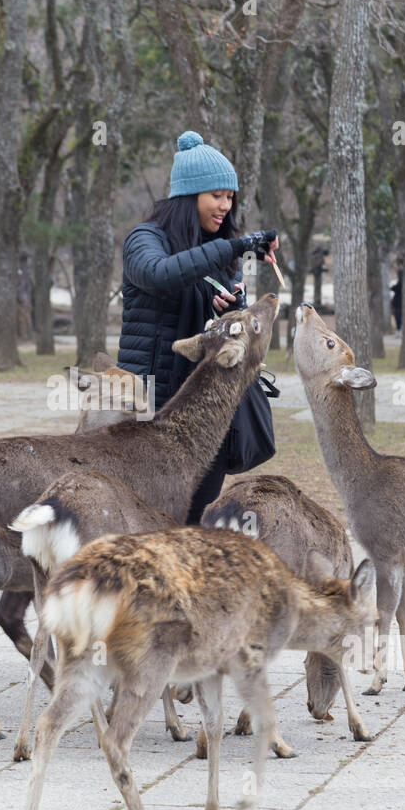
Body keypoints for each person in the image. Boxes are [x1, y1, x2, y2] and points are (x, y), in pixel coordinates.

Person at [118, 130, 278, 524]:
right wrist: (238, 246)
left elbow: (222, 327)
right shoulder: (145, 239)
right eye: (216, 196)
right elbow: (159, 275)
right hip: (149, 410)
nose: (225, 206)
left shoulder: (223, 251)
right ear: (190, 196)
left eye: (230, 197)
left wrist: (232, 306)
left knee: (192, 525)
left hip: (204, 414)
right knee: (149, 523)